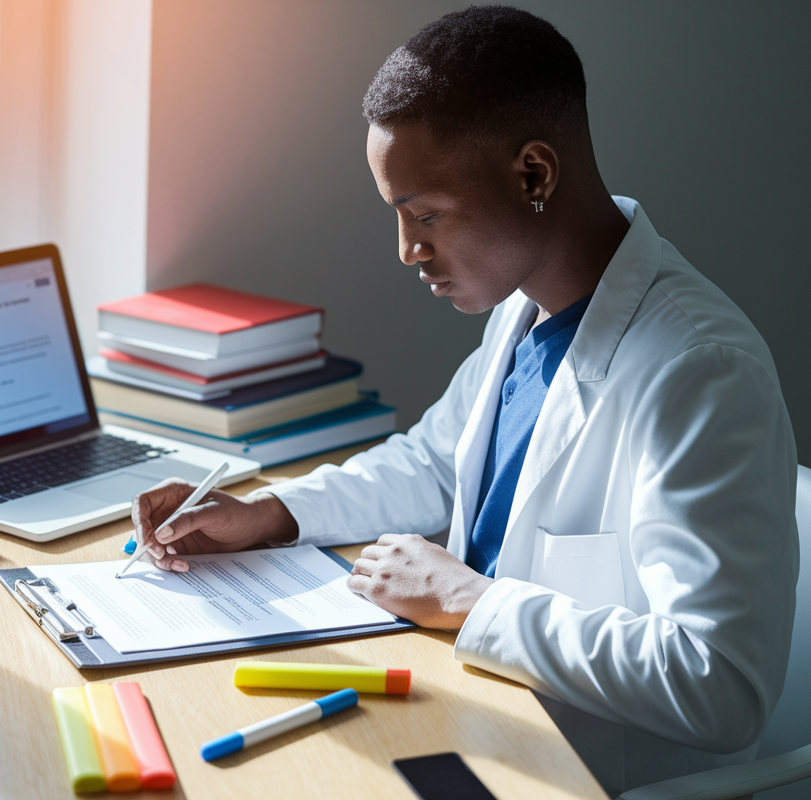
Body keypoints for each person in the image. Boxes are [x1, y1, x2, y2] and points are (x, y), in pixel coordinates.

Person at [129, 6, 798, 796]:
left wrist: (468, 598)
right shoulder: (527, 309)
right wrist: (271, 515)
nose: (408, 250)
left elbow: (721, 684)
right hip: (472, 717)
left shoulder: (699, 371)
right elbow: (437, 464)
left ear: (533, 176)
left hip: (576, 775)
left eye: (424, 214)